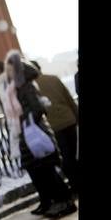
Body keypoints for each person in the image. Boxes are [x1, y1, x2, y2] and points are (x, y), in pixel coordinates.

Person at [1, 50, 74, 219]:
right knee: (39, 170)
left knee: (47, 169)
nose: (8, 72)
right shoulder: (15, 87)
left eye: (10, 68)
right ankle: (54, 201)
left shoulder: (26, 85)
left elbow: (37, 108)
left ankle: (66, 202)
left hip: (35, 131)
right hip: (26, 133)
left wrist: (25, 119)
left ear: (17, 68)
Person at [32, 65, 79, 197]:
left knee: (65, 157)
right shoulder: (53, 78)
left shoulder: (32, 86)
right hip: (69, 119)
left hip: (54, 126)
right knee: (75, 153)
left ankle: (75, 185)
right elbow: (69, 98)